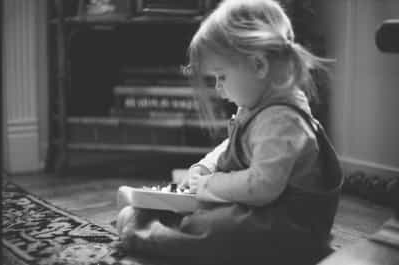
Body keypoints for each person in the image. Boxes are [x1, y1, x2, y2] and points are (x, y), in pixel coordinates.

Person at [116, 0, 343, 264]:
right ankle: (149, 219)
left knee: (213, 228)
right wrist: (206, 167)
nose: (218, 88)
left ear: (258, 66)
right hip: (261, 212)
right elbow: (232, 144)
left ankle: (143, 230)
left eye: (221, 76)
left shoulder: (282, 121)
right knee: (209, 215)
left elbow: (261, 187)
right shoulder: (259, 106)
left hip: (289, 226)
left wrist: (209, 186)